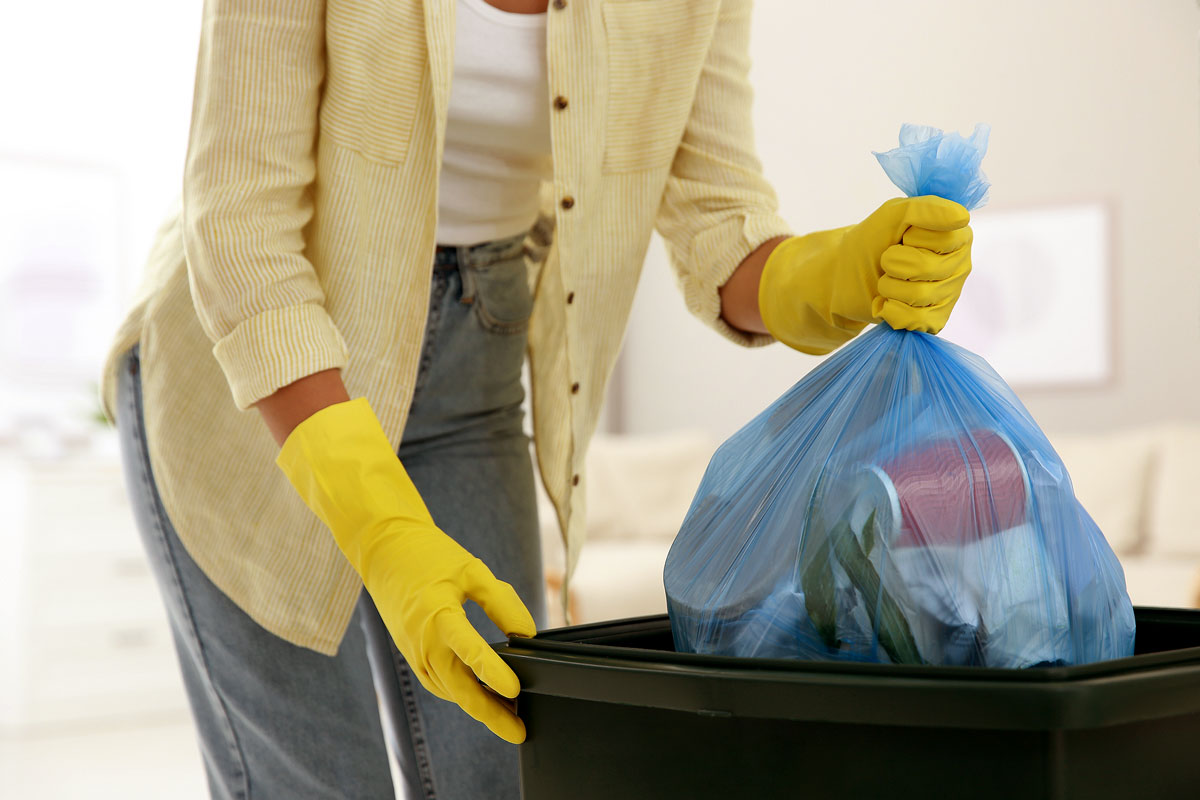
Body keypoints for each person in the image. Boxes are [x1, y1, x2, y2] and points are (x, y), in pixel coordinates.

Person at [99, 0, 973, 797]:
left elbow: (717, 214)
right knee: (322, 785)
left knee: (505, 766)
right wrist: (383, 528)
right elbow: (238, 223)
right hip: (256, 382)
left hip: (473, 365)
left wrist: (830, 275)